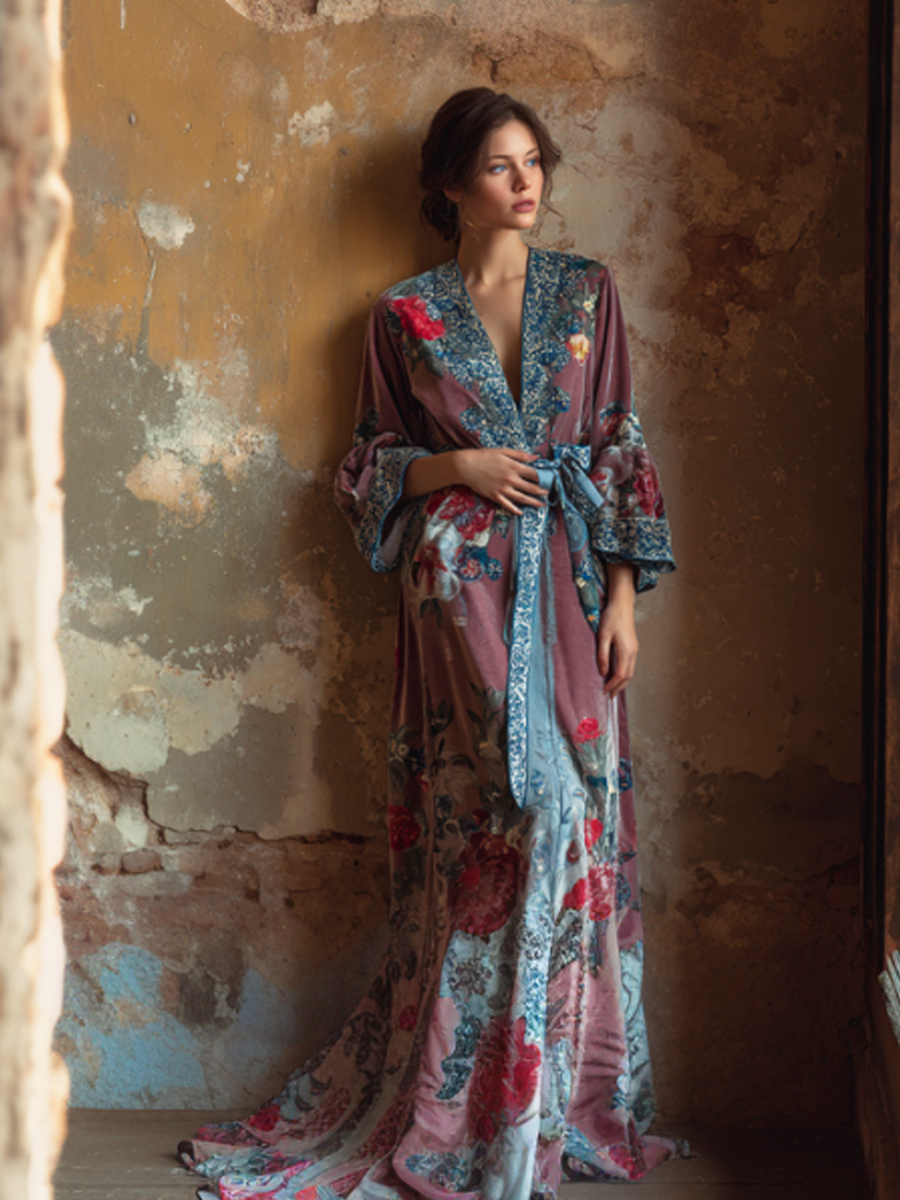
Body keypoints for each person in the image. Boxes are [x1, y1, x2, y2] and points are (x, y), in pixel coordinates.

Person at [179, 87, 685, 1200]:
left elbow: (617, 447)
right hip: (455, 609)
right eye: (500, 165)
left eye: (534, 160)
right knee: (485, 835)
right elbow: (365, 466)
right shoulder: (403, 316)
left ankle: (553, 1102)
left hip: (568, 585)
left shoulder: (587, 294)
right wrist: (457, 467)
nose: (526, 181)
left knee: (571, 821)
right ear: (451, 184)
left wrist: (624, 601)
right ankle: (463, 1106)